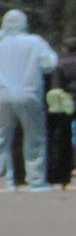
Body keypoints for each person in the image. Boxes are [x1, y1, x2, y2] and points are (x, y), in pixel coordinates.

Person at [0, 9, 59, 192]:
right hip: (28, 94)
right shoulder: (35, 42)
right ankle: (36, 180)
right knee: (34, 137)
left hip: (2, 96)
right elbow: (49, 63)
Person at [49, 44, 76, 188]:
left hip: (67, 103)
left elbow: (56, 86)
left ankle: (63, 176)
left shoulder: (61, 64)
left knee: (63, 139)